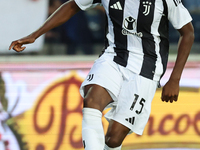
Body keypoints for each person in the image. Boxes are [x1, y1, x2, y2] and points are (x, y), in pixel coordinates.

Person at [9, 0, 194, 149]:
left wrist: (175, 78)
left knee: (113, 139)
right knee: (92, 100)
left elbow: (188, 33)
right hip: (114, 57)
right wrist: (35, 34)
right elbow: (73, 5)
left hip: (147, 68)